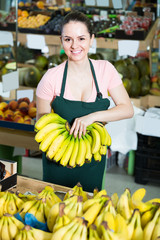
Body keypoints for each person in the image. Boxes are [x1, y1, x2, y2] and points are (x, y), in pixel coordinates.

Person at [36, 10, 134, 192]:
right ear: (61, 41)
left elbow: (127, 109)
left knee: (90, 214)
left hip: (93, 159)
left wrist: (92, 117)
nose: (74, 45)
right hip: (58, 160)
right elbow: (41, 124)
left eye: (81, 38)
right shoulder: (51, 78)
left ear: (91, 39)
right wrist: (60, 150)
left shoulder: (105, 70)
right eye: (68, 39)